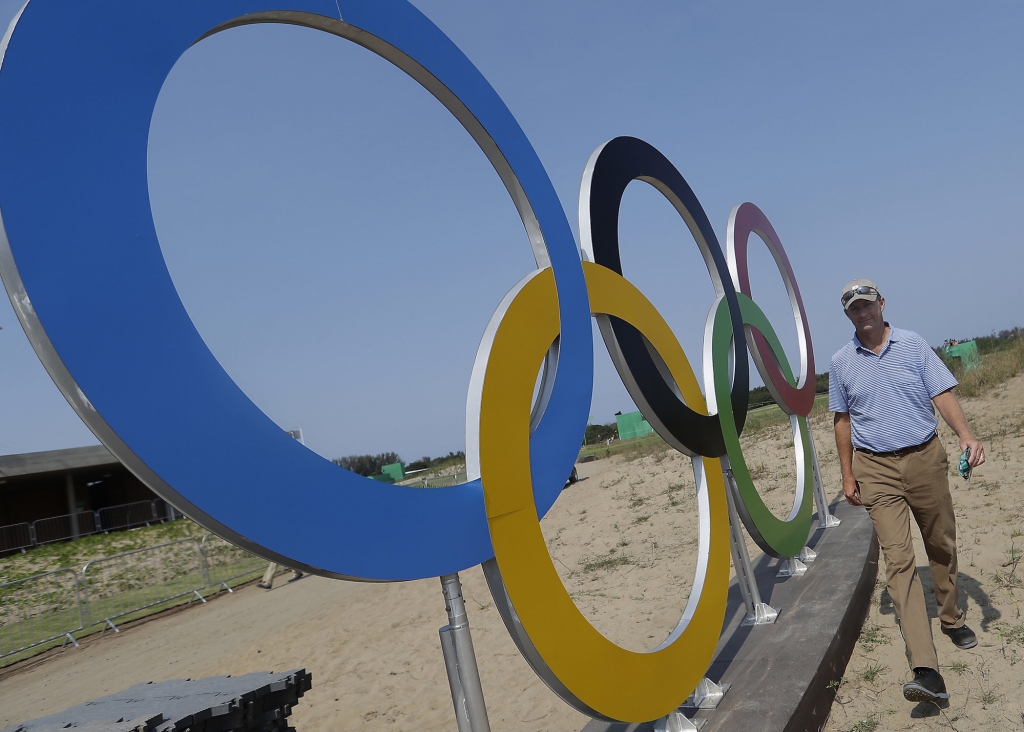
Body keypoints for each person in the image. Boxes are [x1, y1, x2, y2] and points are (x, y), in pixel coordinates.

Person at [829, 279, 985, 705]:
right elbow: (841, 421)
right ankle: (926, 669)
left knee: (941, 543)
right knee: (898, 562)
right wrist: (847, 474)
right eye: (853, 309)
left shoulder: (913, 345)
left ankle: (952, 618)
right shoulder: (842, 363)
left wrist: (966, 437)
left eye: (867, 305)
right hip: (875, 468)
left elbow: (942, 393)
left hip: (924, 458)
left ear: (881, 304)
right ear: (848, 315)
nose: (862, 313)